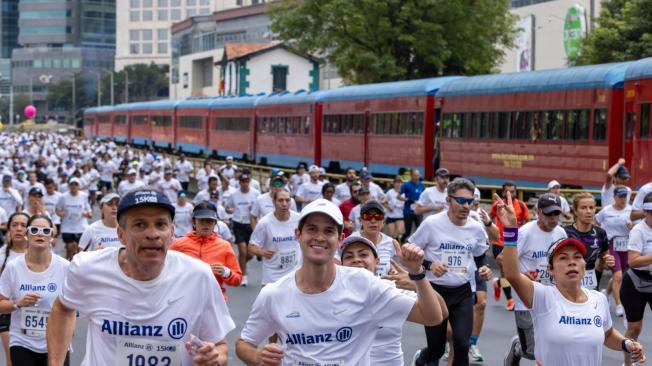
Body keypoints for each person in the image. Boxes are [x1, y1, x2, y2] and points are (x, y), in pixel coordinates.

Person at [235, 198, 444, 365]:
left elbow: (432, 316)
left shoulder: (363, 283)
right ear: (298, 234)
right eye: (311, 229)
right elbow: (244, 344)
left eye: (328, 231)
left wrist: (417, 273)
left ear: (339, 238)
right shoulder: (274, 293)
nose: (319, 237)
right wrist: (256, 357)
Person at [47, 188, 235, 365]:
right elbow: (62, 309)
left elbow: (220, 346)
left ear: (171, 234)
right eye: (140, 225)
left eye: (160, 224)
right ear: (121, 234)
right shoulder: (87, 268)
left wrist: (214, 358)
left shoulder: (198, 275)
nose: (152, 234)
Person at [496, 192, 646, 366]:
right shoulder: (542, 297)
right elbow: (512, 274)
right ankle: (519, 346)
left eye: (577, 257)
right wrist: (510, 230)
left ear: (584, 265)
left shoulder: (599, 300)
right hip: (533, 296)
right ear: (550, 269)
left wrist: (627, 344)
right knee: (530, 350)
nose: (572, 262)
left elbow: (607, 334)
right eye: (563, 258)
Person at [410, 178, 492, 366]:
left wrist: (484, 268)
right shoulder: (432, 224)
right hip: (435, 293)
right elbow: (409, 250)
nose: (466, 206)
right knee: (437, 349)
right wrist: (430, 264)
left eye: (470, 201)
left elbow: (480, 255)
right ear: (448, 200)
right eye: (461, 201)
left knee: (462, 345)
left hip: (463, 292)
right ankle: (421, 359)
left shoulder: (476, 227)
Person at [341, 235, 449, 366]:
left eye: (363, 255)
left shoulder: (390, 288)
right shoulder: (332, 292)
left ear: (377, 262)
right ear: (341, 265)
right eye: (349, 256)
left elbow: (442, 313)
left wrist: (417, 279)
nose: (356, 260)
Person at [503, 193, 568, 366]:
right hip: (526, 297)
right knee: (532, 352)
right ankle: (517, 346)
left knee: (552, 345)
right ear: (538, 212)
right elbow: (505, 258)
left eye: (556, 214)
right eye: (548, 214)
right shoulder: (525, 233)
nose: (553, 218)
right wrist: (521, 275)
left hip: (551, 297)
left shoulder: (561, 232)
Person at [0, 214, 70, 365]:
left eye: (45, 231)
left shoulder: (65, 267)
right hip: (22, 341)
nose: (40, 234)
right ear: (27, 234)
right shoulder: (13, 267)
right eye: (35, 230)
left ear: (51, 236)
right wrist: (17, 304)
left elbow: (74, 307)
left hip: (56, 342)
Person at [170, 202, 242, 297]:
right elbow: (165, 272)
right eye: (201, 221)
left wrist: (226, 272)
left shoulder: (224, 246)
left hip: (214, 302)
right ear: (193, 222)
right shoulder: (178, 244)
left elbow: (237, 280)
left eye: (209, 221)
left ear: (215, 223)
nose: (206, 225)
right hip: (184, 300)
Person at [621, 191, 652, 366]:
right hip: (635, 282)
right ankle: (627, 363)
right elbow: (633, 261)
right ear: (646, 213)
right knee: (635, 328)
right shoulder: (639, 231)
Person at [490, 181, 530, 311]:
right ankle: (510, 300)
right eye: (507, 191)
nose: (510, 194)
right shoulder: (497, 205)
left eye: (513, 191)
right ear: (503, 193)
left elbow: (526, 223)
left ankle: (498, 282)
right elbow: (489, 220)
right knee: (505, 271)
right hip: (499, 242)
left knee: (511, 273)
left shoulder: (522, 206)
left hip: (514, 242)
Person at [248, 189, 301, 286]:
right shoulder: (265, 223)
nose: (284, 204)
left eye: (287, 200)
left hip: (294, 276)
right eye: (280, 200)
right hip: (272, 277)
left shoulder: (299, 219)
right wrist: (262, 252)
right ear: (274, 202)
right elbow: (251, 246)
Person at [595, 186, 633, 317]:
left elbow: (637, 225)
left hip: (626, 245)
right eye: (620, 196)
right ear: (615, 197)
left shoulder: (630, 210)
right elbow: (596, 221)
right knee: (617, 276)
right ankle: (618, 304)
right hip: (611, 244)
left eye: (625, 196)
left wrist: (631, 226)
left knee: (619, 275)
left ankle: (606, 293)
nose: (623, 199)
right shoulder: (606, 210)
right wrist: (601, 235)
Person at [565, 192, 612, 292]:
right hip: (568, 282)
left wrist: (599, 273)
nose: (588, 211)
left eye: (591, 207)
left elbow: (604, 258)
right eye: (583, 208)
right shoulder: (564, 233)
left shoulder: (601, 233)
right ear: (575, 211)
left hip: (591, 284)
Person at [0, 212, 29, 366]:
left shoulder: (41, 252)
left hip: (35, 314)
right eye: (14, 225)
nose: (18, 229)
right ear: (9, 229)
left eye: (23, 225)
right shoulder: (2, 255)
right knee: (13, 360)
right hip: (8, 313)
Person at [225, 173, 260, 287]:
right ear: (239, 182)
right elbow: (227, 207)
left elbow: (259, 209)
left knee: (251, 254)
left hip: (250, 225)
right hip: (238, 223)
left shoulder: (255, 193)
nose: (245, 183)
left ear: (249, 181)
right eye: (242, 181)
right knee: (243, 251)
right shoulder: (234, 194)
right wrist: (230, 210)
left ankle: (239, 265)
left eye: (247, 180)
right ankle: (243, 276)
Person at [55, 178, 92, 260]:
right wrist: (61, 214)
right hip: (67, 227)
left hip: (81, 227)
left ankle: (77, 264)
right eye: (72, 184)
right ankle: (68, 261)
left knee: (80, 250)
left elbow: (89, 212)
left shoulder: (84, 196)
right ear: (69, 186)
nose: (74, 186)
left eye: (76, 184)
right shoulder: (63, 197)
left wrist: (87, 214)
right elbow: (57, 209)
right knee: (70, 246)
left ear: (79, 186)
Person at [399, 169, 424, 242]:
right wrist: (406, 200)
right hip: (408, 211)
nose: (416, 177)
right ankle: (402, 241)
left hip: (418, 210)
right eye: (415, 175)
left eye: (418, 176)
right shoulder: (406, 185)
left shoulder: (421, 185)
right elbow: (398, 196)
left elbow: (424, 197)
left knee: (419, 229)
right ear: (411, 176)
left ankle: (417, 244)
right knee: (408, 231)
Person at [384, 176, 405, 241]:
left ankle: (398, 248)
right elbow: (383, 202)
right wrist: (388, 207)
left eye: (400, 182)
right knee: (391, 235)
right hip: (391, 215)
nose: (398, 184)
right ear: (394, 183)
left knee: (399, 233)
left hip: (400, 215)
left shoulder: (404, 193)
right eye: (397, 182)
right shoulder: (390, 192)